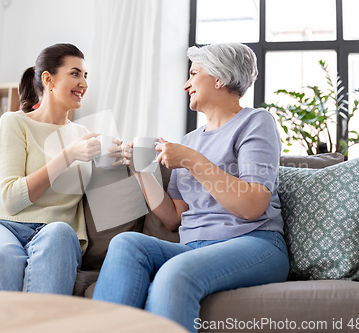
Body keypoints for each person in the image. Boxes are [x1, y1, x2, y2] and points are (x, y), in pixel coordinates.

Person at [92, 43, 289, 332]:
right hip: (194, 248)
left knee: (175, 273)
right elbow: (173, 217)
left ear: (220, 78)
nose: (186, 84)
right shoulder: (189, 140)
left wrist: (191, 160)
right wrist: (140, 169)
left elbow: (252, 206)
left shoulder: (255, 122)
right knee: (126, 244)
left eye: (194, 73)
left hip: (255, 241)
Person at [0, 43, 122, 294]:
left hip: (53, 229)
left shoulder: (83, 135)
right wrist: (68, 155)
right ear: (49, 79)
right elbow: (12, 200)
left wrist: (118, 160)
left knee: (61, 235)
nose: (84, 84)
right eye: (75, 73)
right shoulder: (14, 122)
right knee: (2, 259)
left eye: (86, 76)